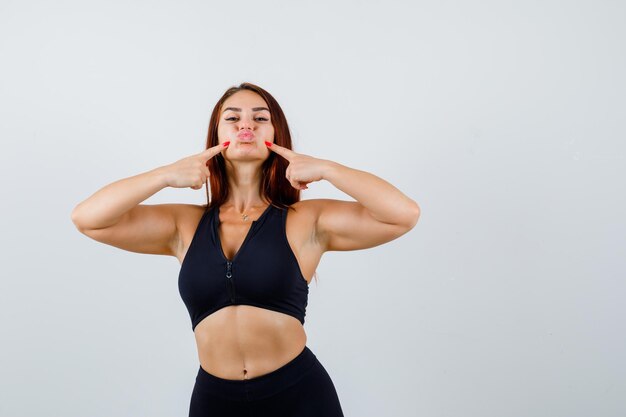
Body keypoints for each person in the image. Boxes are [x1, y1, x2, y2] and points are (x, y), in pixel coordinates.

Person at [71, 82, 421, 416]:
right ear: (217, 135)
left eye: (260, 118)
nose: (246, 126)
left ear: (275, 134)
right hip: (215, 401)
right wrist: (164, 175)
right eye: (233, 118)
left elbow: (403, 215)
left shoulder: (306, 220)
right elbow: (88, 219)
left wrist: (328, 169)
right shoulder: (184, 225)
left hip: (298, 396)